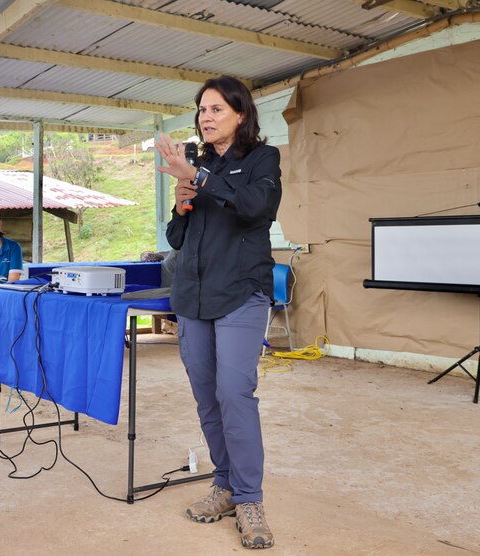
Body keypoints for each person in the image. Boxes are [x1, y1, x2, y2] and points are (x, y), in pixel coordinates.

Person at [154, 75, 282, 550]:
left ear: (240, 114)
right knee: (207, 397)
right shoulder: (198, 163)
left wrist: (199, 178)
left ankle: (249, 498)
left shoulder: (262, 159)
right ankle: (225, 485)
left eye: (216, 109)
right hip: (193, 297)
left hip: (241, 293)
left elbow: (256, 206)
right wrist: (180, 206)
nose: (205, 117)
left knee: (234, 393)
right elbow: (176, 238)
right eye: (201, 110)